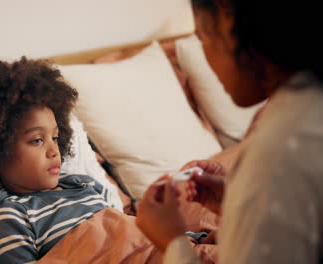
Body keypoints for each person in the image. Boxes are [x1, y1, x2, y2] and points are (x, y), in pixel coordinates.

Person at [136, 0, 323, 263]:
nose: (206, 55)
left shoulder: (276, 150)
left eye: (203, 37)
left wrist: (172, 242)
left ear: (228, 22)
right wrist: (237, 203)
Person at [0, 55, 116, 263]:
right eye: (36, 140)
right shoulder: (13, 214)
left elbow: (124, 232)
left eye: (55, 137)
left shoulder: (84, 184)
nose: (54, 150)